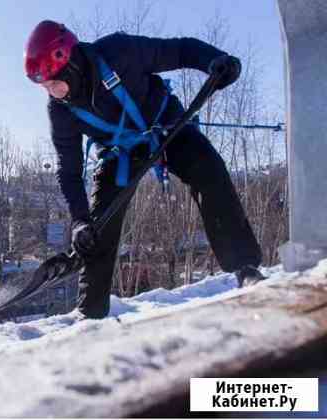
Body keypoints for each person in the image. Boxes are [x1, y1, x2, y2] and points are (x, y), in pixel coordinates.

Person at [24, 20, 266, 319]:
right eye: (44, 86)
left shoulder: (119, 52)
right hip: (119, 152)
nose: (52, 91)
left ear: (71, 64)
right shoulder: (60, 109)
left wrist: (214, 61)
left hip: (165, 126)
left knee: (209, 171)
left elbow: (180, 50)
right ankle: (90, 311)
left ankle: (245, 269)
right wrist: (79, 222)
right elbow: (69, 171)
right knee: (98, 228)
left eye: (53, 82)